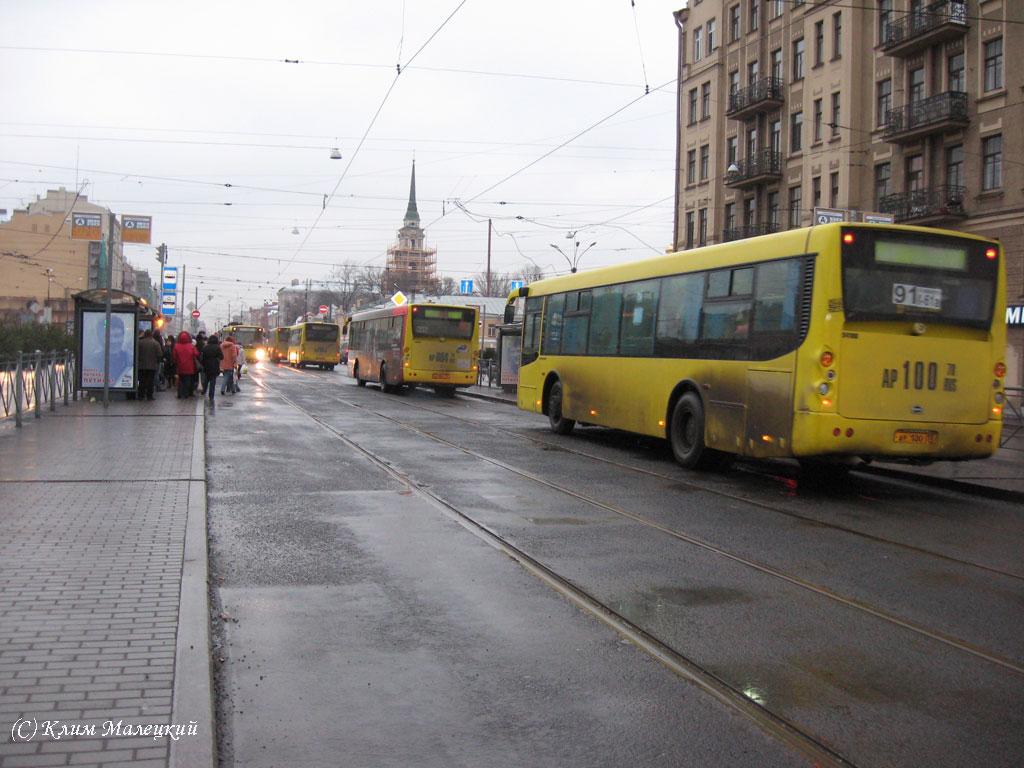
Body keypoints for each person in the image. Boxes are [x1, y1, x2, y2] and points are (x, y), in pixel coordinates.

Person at [136, 329, 163, 401]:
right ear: (151, 335)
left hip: (141, 366)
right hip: (152, 366)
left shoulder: (140, 342)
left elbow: (136, 353)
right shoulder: (156, 343)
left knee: (142, 381)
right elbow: (159, 354)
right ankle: (149, 396)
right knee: (150, 381)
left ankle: (140, 395)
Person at [172, 331, 200, 399]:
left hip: (180, 366)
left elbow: (174, 357)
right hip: (190, 367)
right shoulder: (191, 346)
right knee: (188, 380)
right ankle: (186, 394)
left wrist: (176, 363)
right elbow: (196, 354)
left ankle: (179, 394)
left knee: (180, 380)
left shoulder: (176, 346)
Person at [200, 334, 223, 403]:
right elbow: (221, 357)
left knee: (206, 380)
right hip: (214, 366)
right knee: (213, 381)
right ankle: (211, 395)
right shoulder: (218, 347)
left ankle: (203, 391)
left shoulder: (205, 347)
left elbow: (202, 357)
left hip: (206, 365)